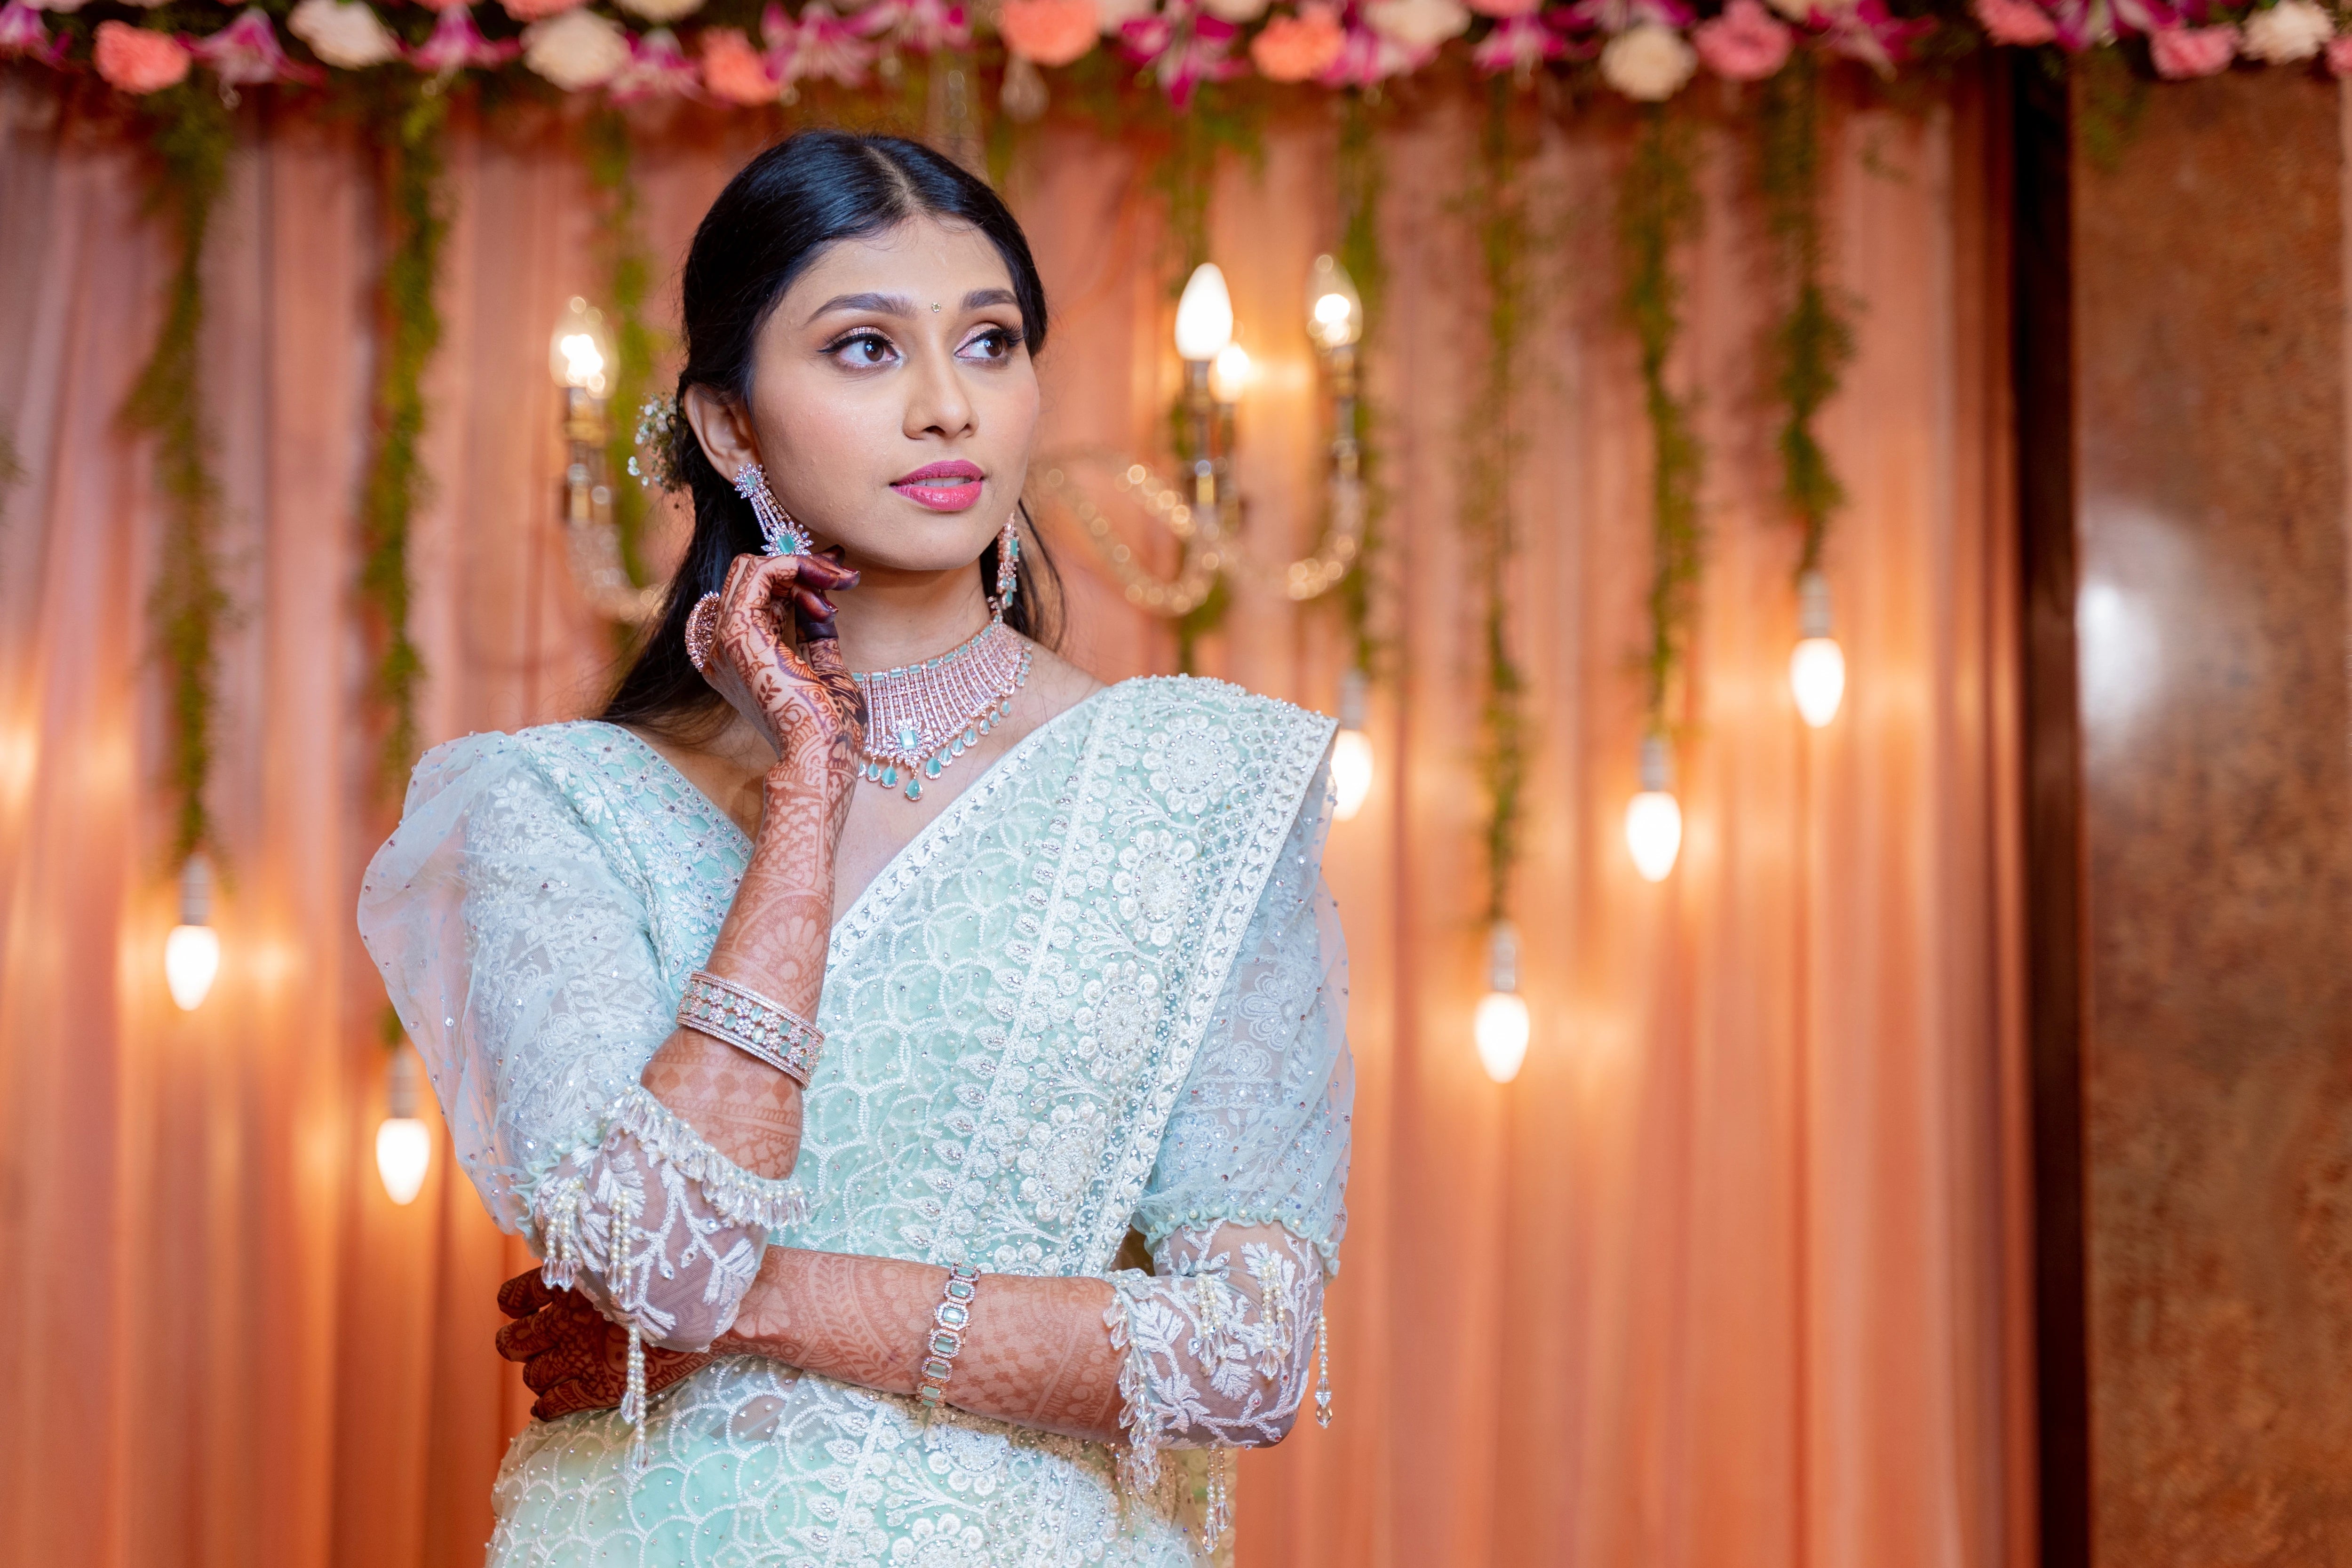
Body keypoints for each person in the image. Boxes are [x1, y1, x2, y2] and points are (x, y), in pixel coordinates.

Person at [357, 130, 1352, 1567]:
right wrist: (809, 795)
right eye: (865, 349)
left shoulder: (1203, 789)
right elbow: (657, 1255)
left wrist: (756, 1309)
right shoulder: (556, 808)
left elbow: (1248, 1354)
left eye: (990, 342)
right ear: (730, 429)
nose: (948, 407)